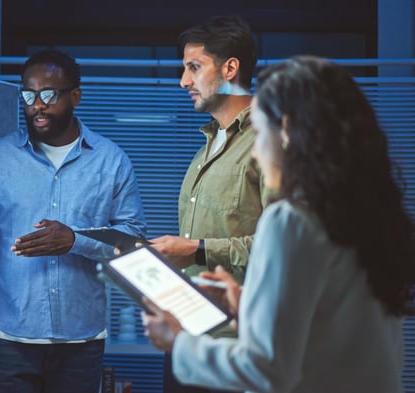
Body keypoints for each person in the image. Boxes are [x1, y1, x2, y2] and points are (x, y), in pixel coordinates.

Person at [143, 55, 415, 393]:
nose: (256, 152)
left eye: (259, 131)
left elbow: (267, 370)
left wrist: (179, 341)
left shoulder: (290, 220)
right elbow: (334, 327)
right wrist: (249, 306)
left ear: (285, 131)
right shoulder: (370, 215)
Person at [0, 49, 147, 393]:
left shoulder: (111, 162)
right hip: (9, 338)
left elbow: (133, 240)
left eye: (48, 94)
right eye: (28, 94)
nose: (36, 104)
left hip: (80, 341)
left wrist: (74, 241)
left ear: (76, 96)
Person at [147, 15, 270, 393]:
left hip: (235, 348)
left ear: (230, 68)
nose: (184, 81)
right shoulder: (207, 147)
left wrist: (198, 250)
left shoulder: (269, 144)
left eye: (194, 67)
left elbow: (282, 248)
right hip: (187, 336)